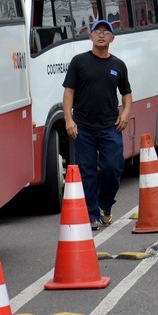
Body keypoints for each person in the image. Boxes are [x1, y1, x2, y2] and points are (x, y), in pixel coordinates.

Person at [63, 19, 132, 229]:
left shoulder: (118, 65)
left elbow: (126, 93)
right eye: (97, 31)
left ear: (112, 38)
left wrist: (126, 112)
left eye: (106, 32)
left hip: (110, 127)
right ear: (90, 36)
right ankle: (92, 214)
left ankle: (105, 205)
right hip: (83, 128)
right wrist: (68, 119)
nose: (101, 35)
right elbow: (68, 92)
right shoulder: (79, 62)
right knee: (87, 173)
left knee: (113, 167)